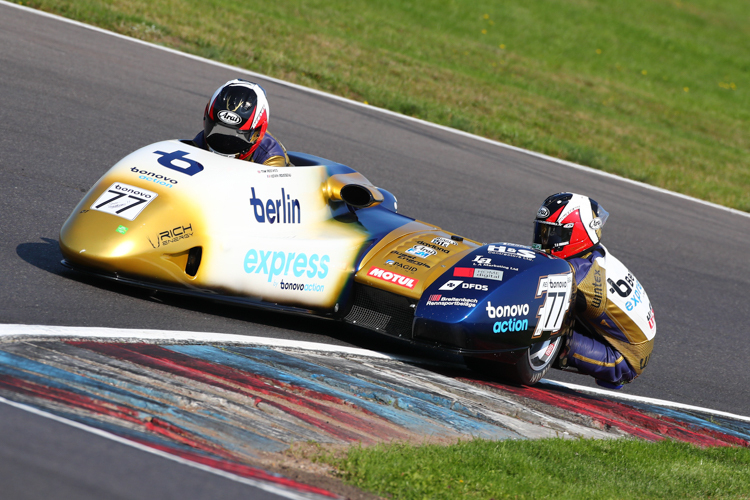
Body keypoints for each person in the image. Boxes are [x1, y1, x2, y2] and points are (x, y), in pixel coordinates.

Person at [532, 192, 656, 389]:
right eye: (542, 231)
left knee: (538, 327)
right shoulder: (590, 253)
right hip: (616, 330)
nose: (544, 240)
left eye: (555, 234)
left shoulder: (581, 277)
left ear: (579, 234)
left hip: (624, 358)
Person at [192, 79, 290, 167]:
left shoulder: (270, 159)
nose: (225, 143)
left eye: (237, 136)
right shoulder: (203, 140)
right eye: (219, 129)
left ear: (257, 134)